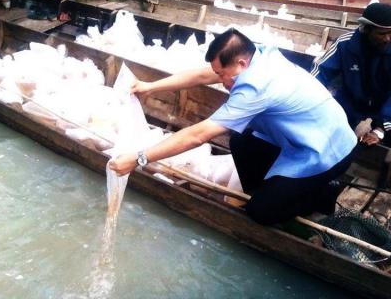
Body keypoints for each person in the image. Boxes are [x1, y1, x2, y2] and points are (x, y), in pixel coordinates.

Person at [109, 29, 357, 225]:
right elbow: (202, 76)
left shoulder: (255, 87)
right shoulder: (258, 56)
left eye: (222, 75)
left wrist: (139, 159)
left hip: (329, 151)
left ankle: (318, 194)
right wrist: (148, 87)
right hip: (307, 136)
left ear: (240, 63)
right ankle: (274, 190)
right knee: (241, 139)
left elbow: (197, 135)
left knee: (260, 212)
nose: (220, 81)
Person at [312, 3, 391, 147]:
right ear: (366, 29)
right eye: (381, 33)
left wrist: (380, 129)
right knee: (330, 139)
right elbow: (320, 72)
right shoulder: (345, 43)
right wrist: (309, 101)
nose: (387, 38)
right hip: (350, 104)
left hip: (385, 108)